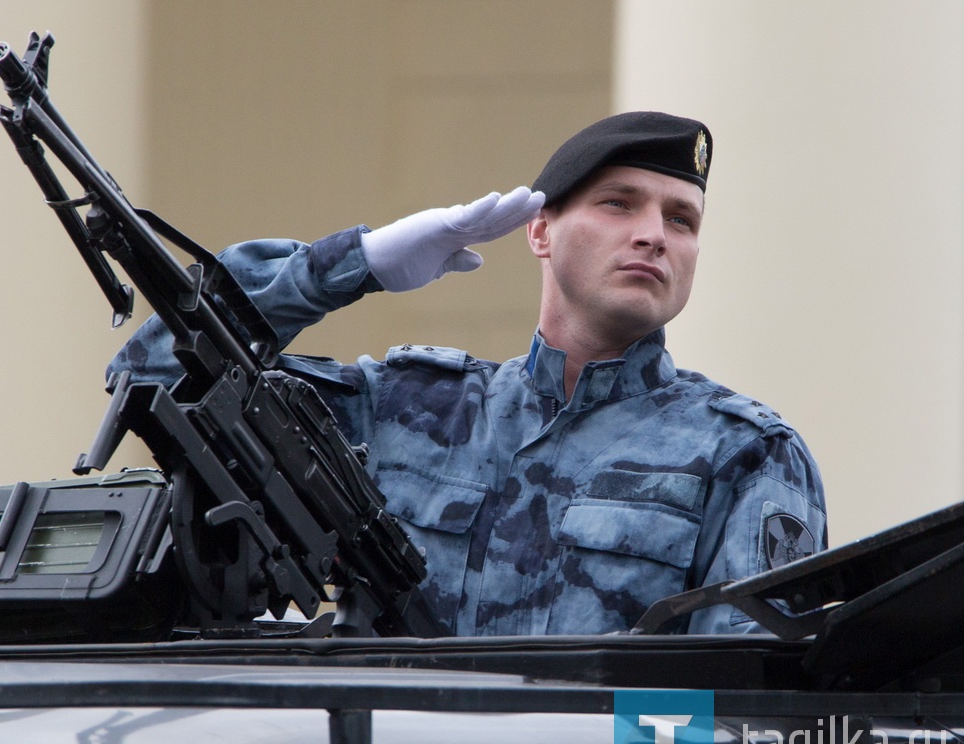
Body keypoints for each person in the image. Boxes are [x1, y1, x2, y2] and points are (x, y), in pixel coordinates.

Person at [110, 111, 827, 636]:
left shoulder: (746, 454)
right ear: (539, 231)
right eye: (618, 204)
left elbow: (745, 717)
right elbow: (151, 373)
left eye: (683, 220)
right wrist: (353, 265)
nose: (653, 235)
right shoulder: (405, 410)